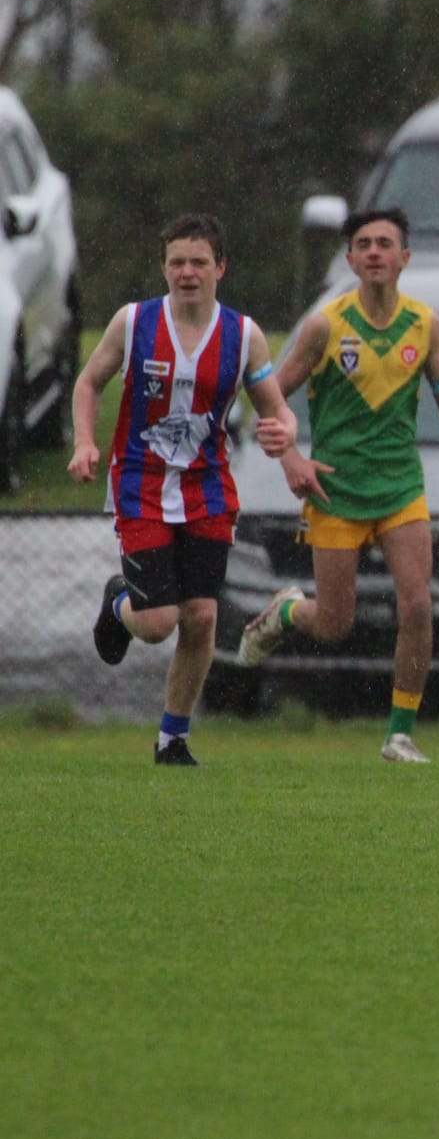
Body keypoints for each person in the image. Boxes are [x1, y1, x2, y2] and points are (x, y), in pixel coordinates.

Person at [235, 208, 439, 762]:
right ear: (349, 260)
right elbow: (268, 395)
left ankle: (399, 735)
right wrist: (291, 458)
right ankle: (287, 611)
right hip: (336, 491)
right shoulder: (325, 326)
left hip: (399, 489)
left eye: (384, 243)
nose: (373, 252)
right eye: (363, 244)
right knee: (334, 625)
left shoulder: (425, 324)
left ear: (404, 258)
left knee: (417, 606)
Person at [68, 213, 298, 765]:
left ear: (220, 267)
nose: (187, 272)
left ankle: (172, 739)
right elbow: (89, 382)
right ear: (164, 268)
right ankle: (118, 602)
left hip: (208, 489)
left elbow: (277, 410)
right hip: (140, 483)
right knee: (156, 624)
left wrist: (284, 433)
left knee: (201, 617)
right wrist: (84, 442)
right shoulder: (134, 322)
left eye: (198, 262)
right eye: (177, 262)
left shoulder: (243, 335)